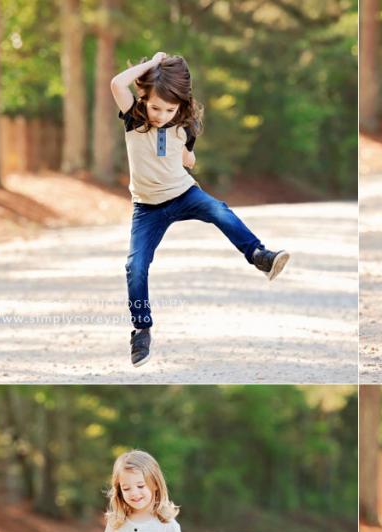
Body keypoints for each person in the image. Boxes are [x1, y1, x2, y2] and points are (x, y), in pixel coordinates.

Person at [110, 52, 290, 367]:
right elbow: (116, 83)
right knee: (135, 266)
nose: (160, 115)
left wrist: (188, 158)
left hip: (184, 194)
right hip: (147, 208)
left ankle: (260, 255)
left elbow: (187, 157)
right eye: (155, 107)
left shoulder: (185, 125)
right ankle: (141, 328)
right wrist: (153, 65)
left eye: (169, 109)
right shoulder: (135, 118)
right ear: (143, 99)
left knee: (219, 211)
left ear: (180, 106)